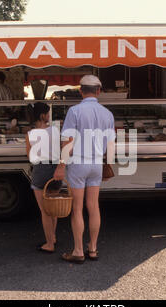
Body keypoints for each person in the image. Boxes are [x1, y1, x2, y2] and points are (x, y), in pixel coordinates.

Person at [53, 75, 116, 264]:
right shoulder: (107, 114)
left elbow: (68, 141)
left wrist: (61, 165)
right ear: (98, 91)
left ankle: (78, 251)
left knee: (77, 209)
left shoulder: (75, 111)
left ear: (80, 91)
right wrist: (108, 165)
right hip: (96, 163)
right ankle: (93, 248)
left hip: (78, 164)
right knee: (94, 207)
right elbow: (111, 144)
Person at [25, 102, 62, 253]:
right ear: (42, 115)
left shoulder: (29, 134)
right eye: (47, 113)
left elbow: (30, 157)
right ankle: (53, 237)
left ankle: (49, 244)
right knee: (53, 208)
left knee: (44, 211)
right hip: (55, 170)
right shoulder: (55, 130)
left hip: (40, 170)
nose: (49, 115)